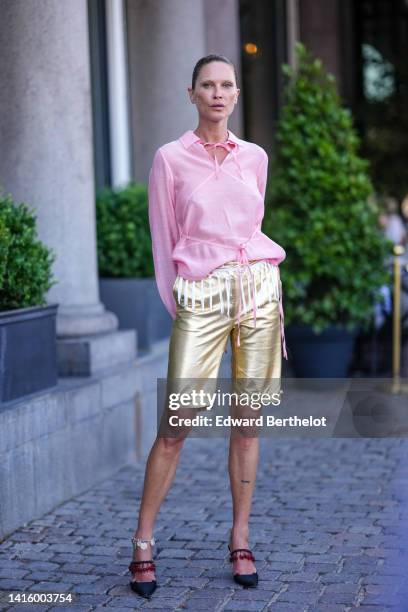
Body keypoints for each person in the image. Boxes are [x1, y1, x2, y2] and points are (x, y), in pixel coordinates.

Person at [128, 54, 288, 599]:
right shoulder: (170, 159)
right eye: (207, 85)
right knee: (175, 426)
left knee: (248, 422)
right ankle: (143, 542)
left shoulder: (256, 157)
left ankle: (240, 535)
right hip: (201, 292)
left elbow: (253, 222)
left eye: (226, 85)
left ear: (236, 94)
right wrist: (183, 305)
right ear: (191, 93)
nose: (217, 94)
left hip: (260, 289)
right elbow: (162, 237)